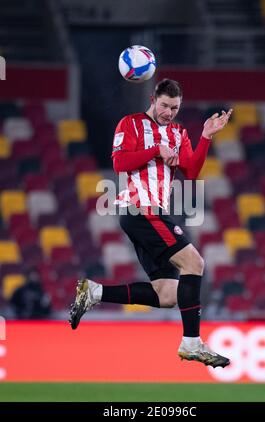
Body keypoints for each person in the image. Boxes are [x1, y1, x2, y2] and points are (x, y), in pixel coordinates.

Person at [69, 79, 232, 368]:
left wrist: (206, 136)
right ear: (153, 99)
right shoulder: (130, 124)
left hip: (155, 212)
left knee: (168, 294)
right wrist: (155, 150)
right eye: (165, 106)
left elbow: (191, 172)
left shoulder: (179, 132)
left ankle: (94, 292)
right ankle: (191, 343)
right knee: (195, 263)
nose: (169, 112)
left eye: (175, 108)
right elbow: (120, 164)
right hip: (138, 209)